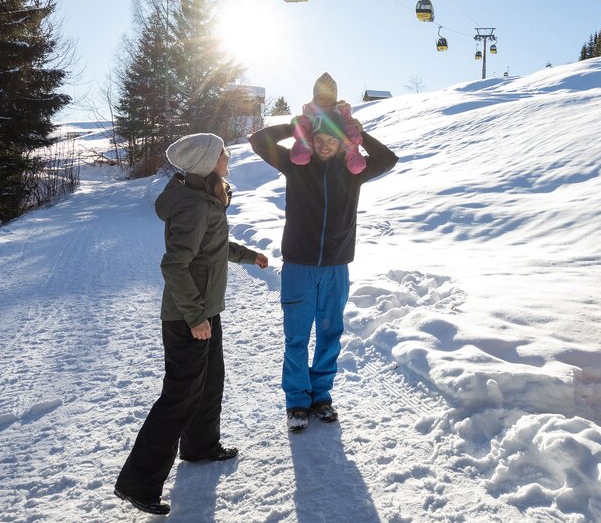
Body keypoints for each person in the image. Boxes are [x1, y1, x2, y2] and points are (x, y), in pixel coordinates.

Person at [115, 133, 267, 516]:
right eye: (223, 155)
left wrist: (249, 256)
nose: (228, 159)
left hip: (204, 309)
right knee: (179, 396)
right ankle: (138, 483)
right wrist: (196, 317)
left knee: (211, 380)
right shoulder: (194, 205)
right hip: (189, 316)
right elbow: (175, 264)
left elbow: (212, 247)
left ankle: (200, 446)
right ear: (207, 162)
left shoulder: (203, 197)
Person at [250, 101, 398, 432]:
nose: (326, 144)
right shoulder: (296, 166)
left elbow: (388, 160)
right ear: (312, 140)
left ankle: (321, 396)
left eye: (333, 139)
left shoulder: (352, 172)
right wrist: (295, 127)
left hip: (336, 267)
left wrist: (358, 134)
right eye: (319, 138)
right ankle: (298, 402)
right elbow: (258, 141)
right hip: (299, 266)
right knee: (297, 337)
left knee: (330, 333)